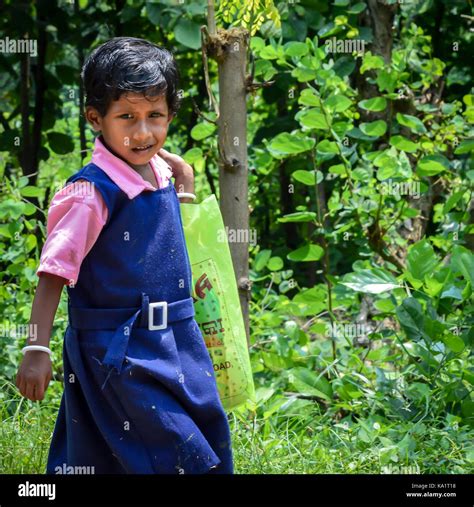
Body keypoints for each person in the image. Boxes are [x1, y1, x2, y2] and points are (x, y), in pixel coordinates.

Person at [15, 36, 234, 475]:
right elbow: (53, 273)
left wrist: (184, 186)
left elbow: (169, 244)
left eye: (155, 116)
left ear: (171, 114)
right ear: (96, 118)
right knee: (174, 451)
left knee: (182, 437)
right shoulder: (89, 193)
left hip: (177, 341)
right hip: (119, 351)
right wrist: (37, 346)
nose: (143, 132)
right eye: (127, 117)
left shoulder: (164, 173)